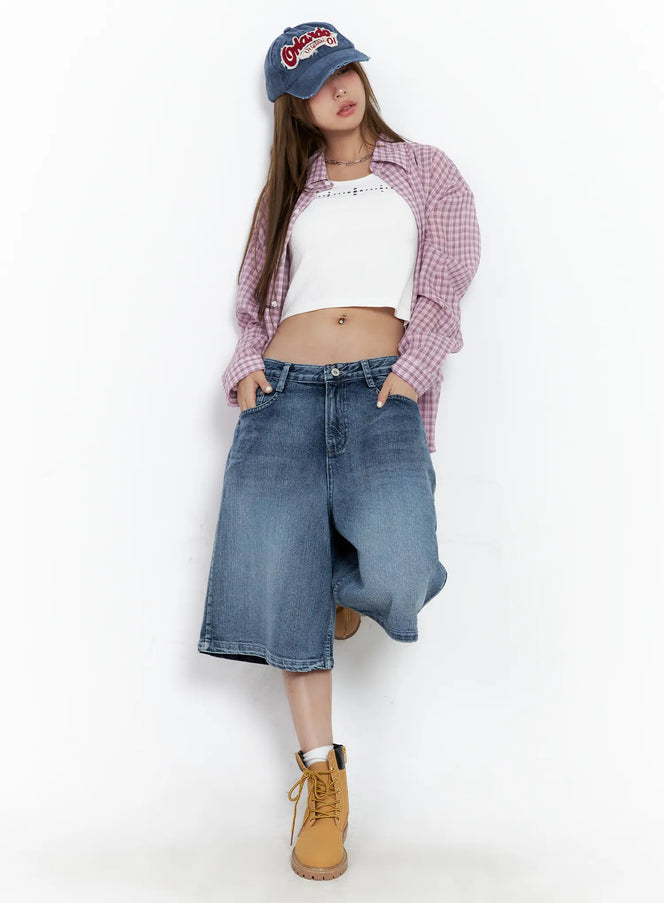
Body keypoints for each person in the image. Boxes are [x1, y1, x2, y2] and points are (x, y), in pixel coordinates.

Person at [197, 21, 481, 880]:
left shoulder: (426, 172)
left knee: (403, 568)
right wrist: (247, 370)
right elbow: (254, 301)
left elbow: (445, 285)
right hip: (284, 393)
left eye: (344, 69)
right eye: (318, 83)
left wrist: (413, 370)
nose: (340, 89)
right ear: (296, 106)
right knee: (286, 597)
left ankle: (334, 589)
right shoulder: (289, 193)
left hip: (380, 390)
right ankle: (323, 784)